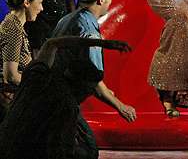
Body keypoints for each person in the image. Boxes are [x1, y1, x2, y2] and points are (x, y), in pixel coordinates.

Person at [0, 35, 132, 159]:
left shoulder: (39, 75)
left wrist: (102, 43)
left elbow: (52, 43)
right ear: (82, 90)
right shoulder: (66, 106)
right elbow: (59, 150)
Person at [51, 0, 136, 157]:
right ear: (101, 0)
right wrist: (120, 106)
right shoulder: (89, 32)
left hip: (51, 97)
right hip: (62, 103)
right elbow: (92, 76)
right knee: (86, 151)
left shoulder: (67, 19)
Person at [0, 0, 43, 121]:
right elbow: (11, 76)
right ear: (27, 3)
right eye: (40, 2)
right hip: (10, 101)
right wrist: (38, 86)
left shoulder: (14, 24)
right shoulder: (13, 28)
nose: (41, 8)